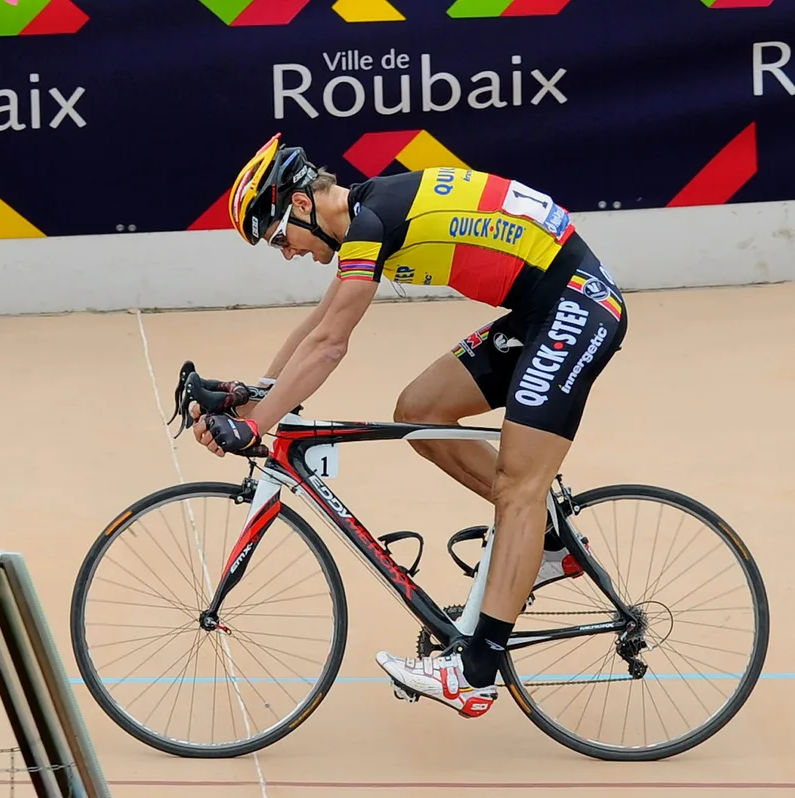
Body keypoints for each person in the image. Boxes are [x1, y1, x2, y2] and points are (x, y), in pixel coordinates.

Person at [189, 132, 628, 719]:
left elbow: (329, 347)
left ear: (299, 205)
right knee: (420, 411)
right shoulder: (366, 216)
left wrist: (256, 426)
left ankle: (474, 671)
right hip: (541, 308)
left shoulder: (370, 222)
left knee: (521, 487)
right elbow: (318, 325)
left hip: (578, 305)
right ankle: (545, 540)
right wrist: (253, 396)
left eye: (277, 238)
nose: (287, 252)